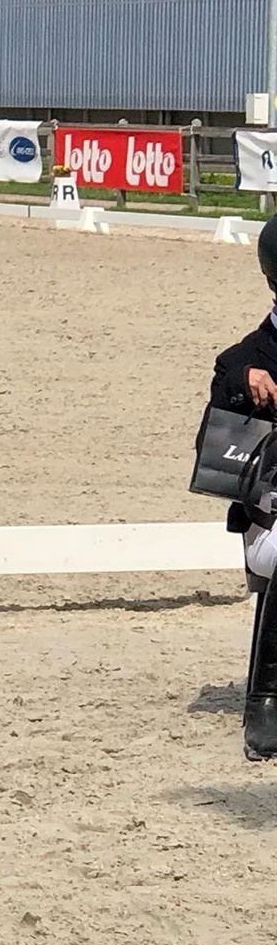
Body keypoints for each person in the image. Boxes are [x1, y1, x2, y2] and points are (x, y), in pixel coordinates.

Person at [207, 213, 277, 760]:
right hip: (271, 518)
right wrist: (239, 384)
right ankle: (267, 697)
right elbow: (217, 453)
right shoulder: (244, 360)